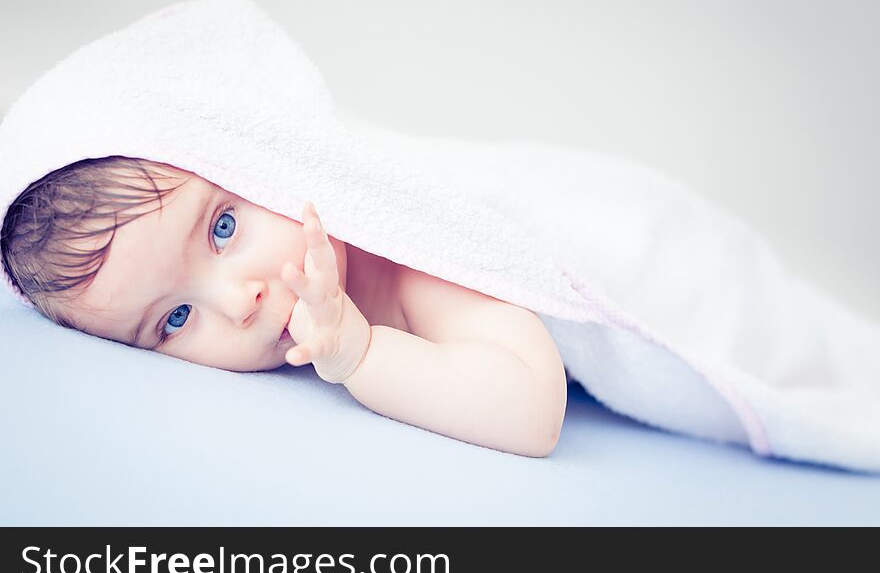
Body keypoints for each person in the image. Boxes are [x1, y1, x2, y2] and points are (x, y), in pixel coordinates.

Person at [0, 155, 567, 457]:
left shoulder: (414, 263)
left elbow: (534, 411)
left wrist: (362, 355)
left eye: (223, 228)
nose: (238, 303)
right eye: (176, 320)